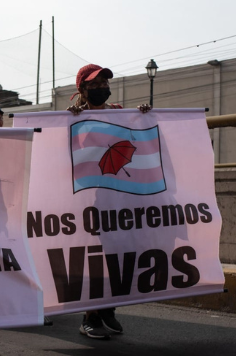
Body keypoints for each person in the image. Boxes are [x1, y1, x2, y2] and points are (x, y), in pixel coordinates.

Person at [68, 64, 151, 340]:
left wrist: (142, 115)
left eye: (104, 82)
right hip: (89, 199)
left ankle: (108, 309)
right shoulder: (73, 118)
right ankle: (89, 316)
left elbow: (138, 134)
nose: (101, 87)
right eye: (95, 84)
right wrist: (69, 121)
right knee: (95, 257)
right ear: (83, 89)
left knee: (119, 252)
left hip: (116, 198)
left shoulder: (118, 112)